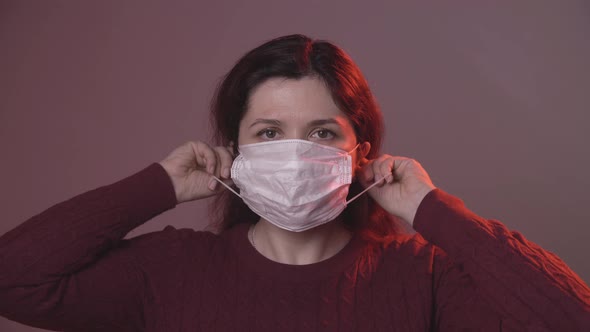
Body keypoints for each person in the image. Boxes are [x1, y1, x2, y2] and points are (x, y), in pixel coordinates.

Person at [0, 34, 588, 332]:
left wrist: (434, 211)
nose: (295, 152)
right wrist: (156, 186)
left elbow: (572, 319)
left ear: (361, 151)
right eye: (270, 132)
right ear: (234, 151)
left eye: (323, 133)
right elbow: (13, 279)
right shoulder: (168, 270)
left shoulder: (421, 276)